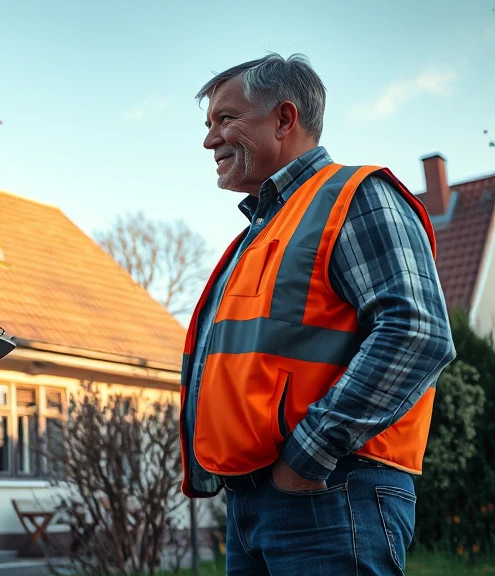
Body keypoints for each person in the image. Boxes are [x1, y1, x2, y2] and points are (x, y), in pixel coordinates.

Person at [182, 53, 456, 575]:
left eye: (226, 119)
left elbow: (418, 333)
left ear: (284, 119)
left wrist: (308, 456)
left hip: (329, 493)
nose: (209, 140)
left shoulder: (356, 198)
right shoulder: (263, 232)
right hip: (258, 502)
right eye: (208, 124)